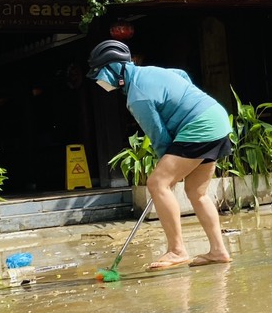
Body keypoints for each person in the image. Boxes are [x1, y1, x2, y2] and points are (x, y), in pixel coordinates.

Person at [86, 40, 233, 270]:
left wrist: (167, 176)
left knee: (156, 183)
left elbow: (159, 137)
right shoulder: (149, 72)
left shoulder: (137, 96)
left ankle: (177, 250)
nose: (99, 81)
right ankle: (218, 250)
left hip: (199, 126)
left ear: (113, 69)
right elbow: (182, 76)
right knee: (196, 191)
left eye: (99, 74)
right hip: (216, 118)